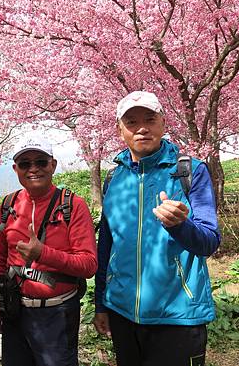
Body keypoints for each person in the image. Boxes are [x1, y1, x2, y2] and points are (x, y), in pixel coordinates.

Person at [93, 91, 220, 366]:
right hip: (122, 312)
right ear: (120, 129)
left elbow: (209, 241)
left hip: (177, 315)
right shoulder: (114, 177)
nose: (141, 128)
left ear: (163, 123)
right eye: (131, 122)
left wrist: (180, 226)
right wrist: (101, 303)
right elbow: (106, 244)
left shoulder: (190, 171)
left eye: (150, 119)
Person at [0, 137, 97, 366]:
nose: (33, 168)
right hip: (16, 312)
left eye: (41, 162)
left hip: (58, 314)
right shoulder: (8, 205)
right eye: (25, 164)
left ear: (53, 165)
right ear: (16, 169)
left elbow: (88, 264)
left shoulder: (73, 205)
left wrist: (43, 254)